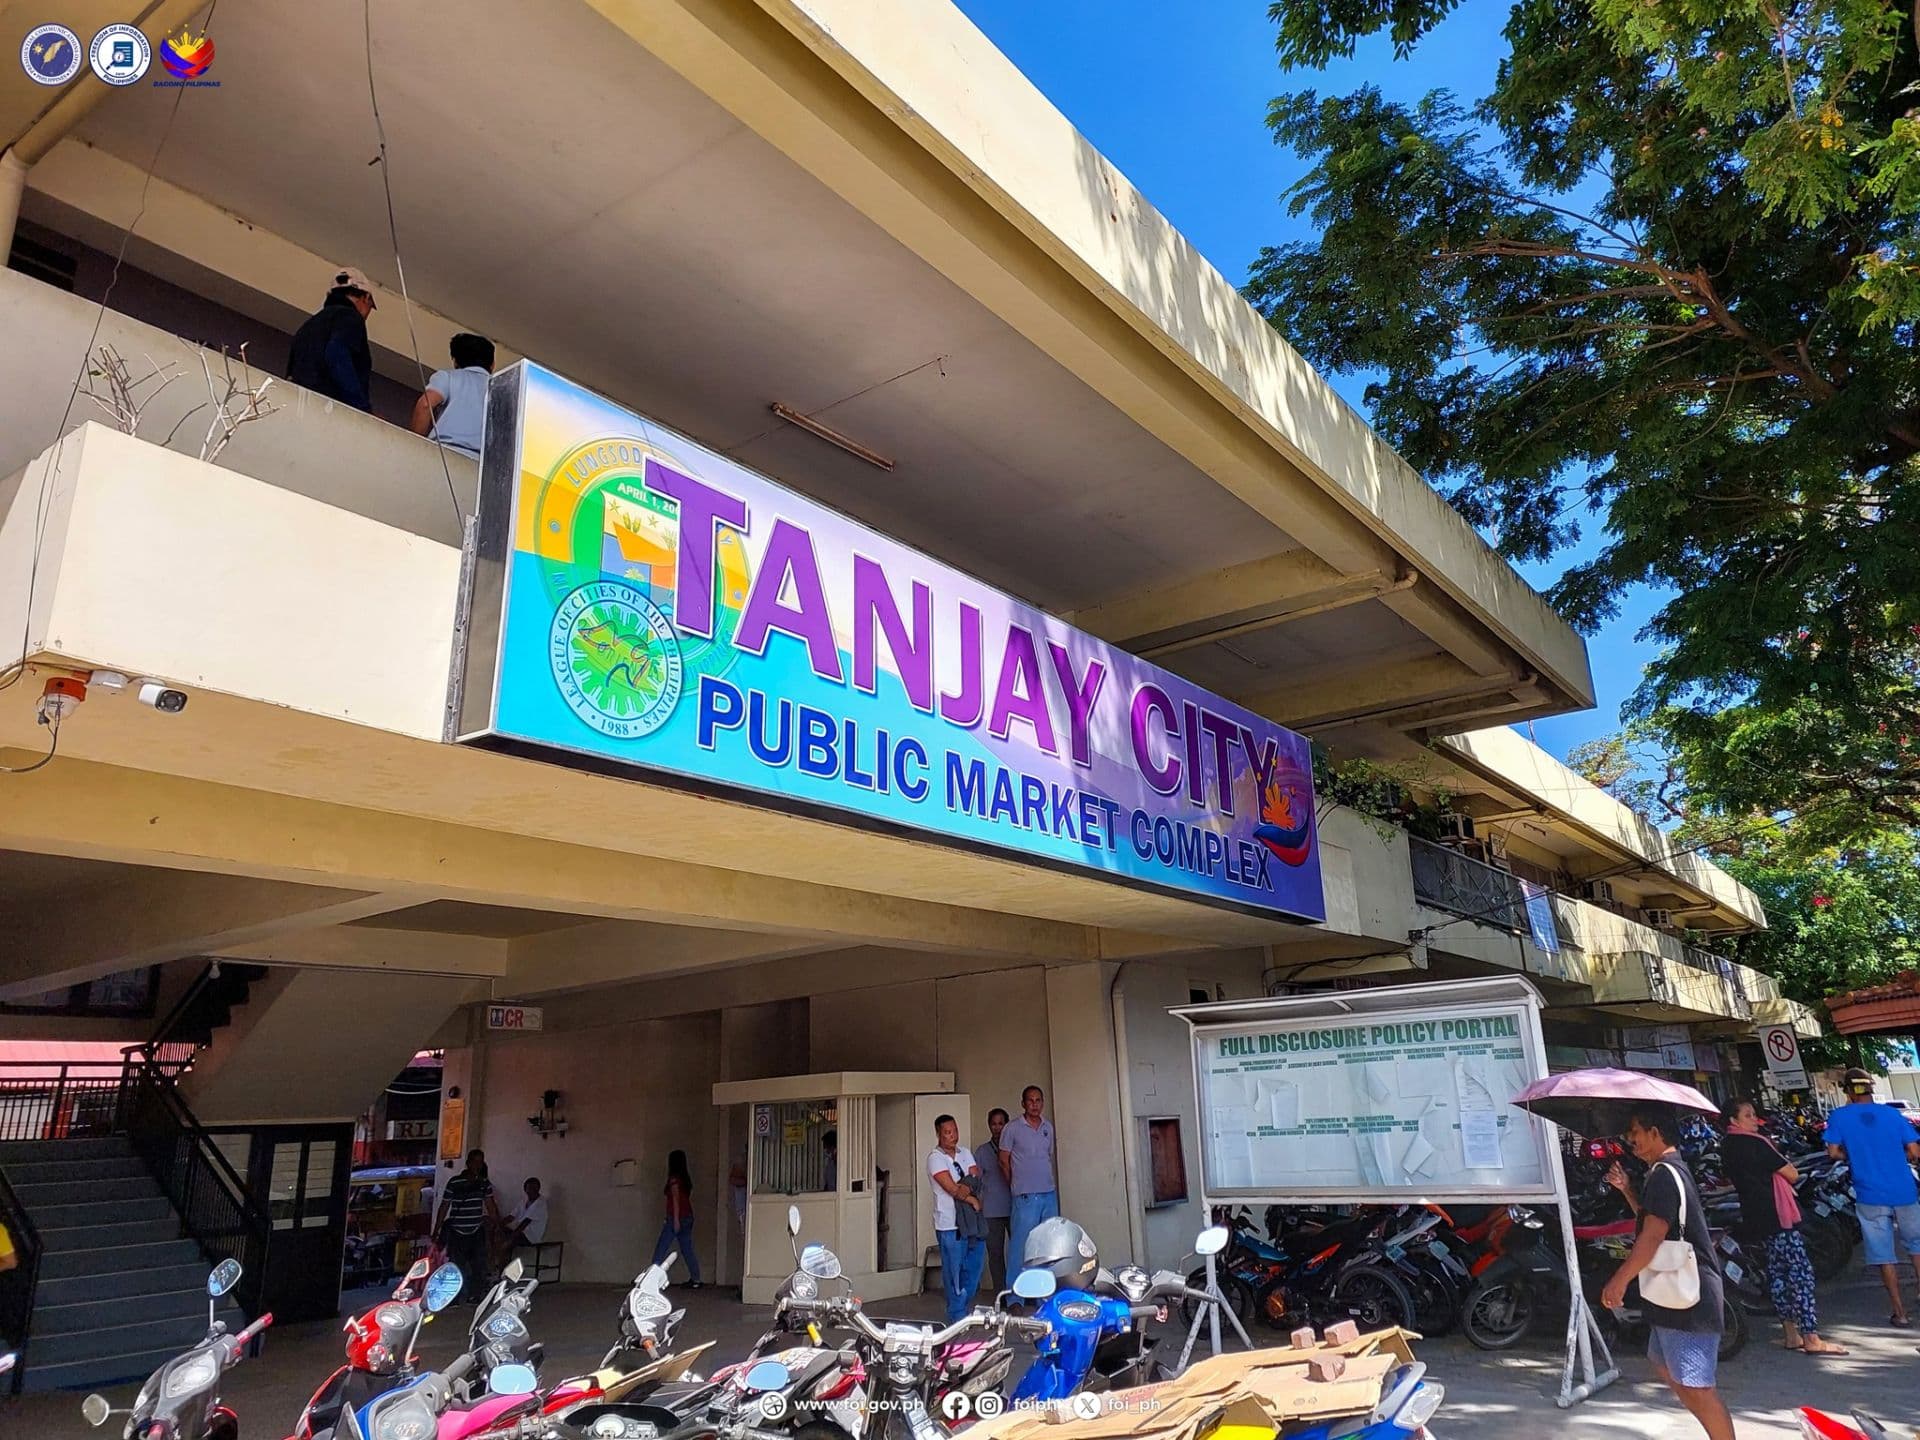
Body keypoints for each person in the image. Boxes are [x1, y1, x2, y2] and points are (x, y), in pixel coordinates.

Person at [1600, 1103, 1733, 1440]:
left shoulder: (1663, 1174)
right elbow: (1653, 1219)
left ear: (1655, 1132)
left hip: (1689, 1298)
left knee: (1698, 1387)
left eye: (1635, 1132)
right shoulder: (1664, 1171)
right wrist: (1627, 1189)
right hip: (1673, 1295)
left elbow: (1652, 1236)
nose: (1631, 1139)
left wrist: (1619, 1280)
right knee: (1668, 1368)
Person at [1722, 1099, 1845, 1355]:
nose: (1754, 1119)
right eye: (1748, 1115)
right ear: (1734, 1120)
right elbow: (1792, 1174)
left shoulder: (1728, 1145)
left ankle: (1791, 1335)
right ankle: (1811, 1337)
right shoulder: (1756, 1143)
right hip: (1778, 1214)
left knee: (1777, 1274)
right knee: (1800, 1275)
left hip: (1755, 1216)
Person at [1823, 1066, 1920, 1328]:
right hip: (1903, 1189)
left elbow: (1833, 1152)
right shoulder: (1892, 1114)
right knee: (1917, 1244)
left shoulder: (1839, 1116)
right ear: (1870, 1089)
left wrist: (1855, 1155)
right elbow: (1914, 1151)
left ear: (1848, 1092)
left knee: (1883, 1254)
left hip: (1869, 1193)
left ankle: (1900, 1312)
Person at [287, 265, 376, 412]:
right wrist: (361, 409)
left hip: (298, 406)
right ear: (365, 298)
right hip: (327, 410)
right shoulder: (351, 318)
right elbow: (337, 353)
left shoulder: (308, 326)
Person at [928, 1113, 985, 1322]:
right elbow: (952, 1189)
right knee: (954, 1272)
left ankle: (962, 1307)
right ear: (939, 1134)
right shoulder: (935, 1158)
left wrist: (965, 1188)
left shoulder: (965, 1152)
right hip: (949, 1224)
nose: (953, 1136)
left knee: (974, 1266)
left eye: (955, 1131)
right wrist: (971, 1199)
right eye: (947, 1132)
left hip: (971, 1222)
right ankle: (957, 1315)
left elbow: (975, 1178)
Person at [408, 332, 495, 458]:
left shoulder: (448, 377)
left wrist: (413, 446)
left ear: (455, 361)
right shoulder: (500, 390)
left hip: (444, 454)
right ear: (492, 364)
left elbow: (425, 405)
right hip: (482, 463)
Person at [1000, 1086, 1058, 1272]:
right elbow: (1003, 1160)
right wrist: (1015, 1184)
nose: (1034, 1105)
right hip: (1025, 1196)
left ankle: (1045, 1288)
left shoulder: (1048, 1127)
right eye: (1030, 1101)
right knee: (1021, 1246)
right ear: (1023, 1103)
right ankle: (1016, 1289)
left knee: (1048, 1244)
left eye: (1038, 1100)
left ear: (1042, 1103)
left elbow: (1047, 1156)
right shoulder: (1012, 1128)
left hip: (1048, 1194)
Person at [433, 1149, 499, 1303]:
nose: (477, 1165)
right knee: (456, 1266)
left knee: (478, 1265)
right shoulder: (454, 1182)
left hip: (476, 1229)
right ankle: (454, 1297)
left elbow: (490, 1205)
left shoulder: (484, 1183)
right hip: (457, 1230)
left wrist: (496, 1225)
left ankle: (474, 1295)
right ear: (468, 1163)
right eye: (475, 1162)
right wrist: (436, 1229)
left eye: (480, 1162)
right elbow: (444, 1206)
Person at [975, 1107, 1013, 1293]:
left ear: (1007, 1125)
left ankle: (1021, 1292)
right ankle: (1001, 1293)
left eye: (1001, 1123)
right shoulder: (982, 1151)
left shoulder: (1015, 1147)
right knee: (996, 1254)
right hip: (991, 1211)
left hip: (1015, 1207)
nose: (997, 1128)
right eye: (993, 1124)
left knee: (1020, 1253)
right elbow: (976, 1181)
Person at [652, 1150, 702, 1289]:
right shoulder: (685, 1180)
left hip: (675, 1217)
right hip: (688, 1217)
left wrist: (675, 1220)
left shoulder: (674, 1179)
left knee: (661, 1247)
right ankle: (696, 1279)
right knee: (687, 1249)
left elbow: (675, 1200)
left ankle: (651, 1276)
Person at [499, 1177, 548, 1265]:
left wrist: (510, 1238)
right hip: (520, 1233)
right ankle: (499, 1265)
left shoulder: (541, 1203)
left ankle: (502, 1268)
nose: (532, 1191)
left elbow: (524, 1224)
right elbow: (511, 1217)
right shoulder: (524, 1201)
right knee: (497, 1234)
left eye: (534, 1188)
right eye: (529, 1189)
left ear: (538, 1189)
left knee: (506, 1243)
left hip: (530, 1237)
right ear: (525, 1190)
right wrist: (498, 1225)